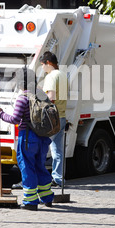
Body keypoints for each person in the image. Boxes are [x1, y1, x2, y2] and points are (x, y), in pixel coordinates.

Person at [0, 68, 54, 211]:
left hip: (27, 138)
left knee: (27, 168)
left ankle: (30, 202)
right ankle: (47, 197)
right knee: (40, 166)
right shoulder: (42, 95)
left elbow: (15, 119)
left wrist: (1, 114)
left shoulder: (23, 98)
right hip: (43, 137)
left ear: (21, 82)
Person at [39, 51, 67, 187]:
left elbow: (51, 98)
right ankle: (58, 178)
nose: (42, 68)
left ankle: (39, 178)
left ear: (49, 63)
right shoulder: (63, 75)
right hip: (61, 117)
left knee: (41, 148)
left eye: (43, 65)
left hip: (51, 119)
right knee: (58, 150)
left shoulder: (51, 77)